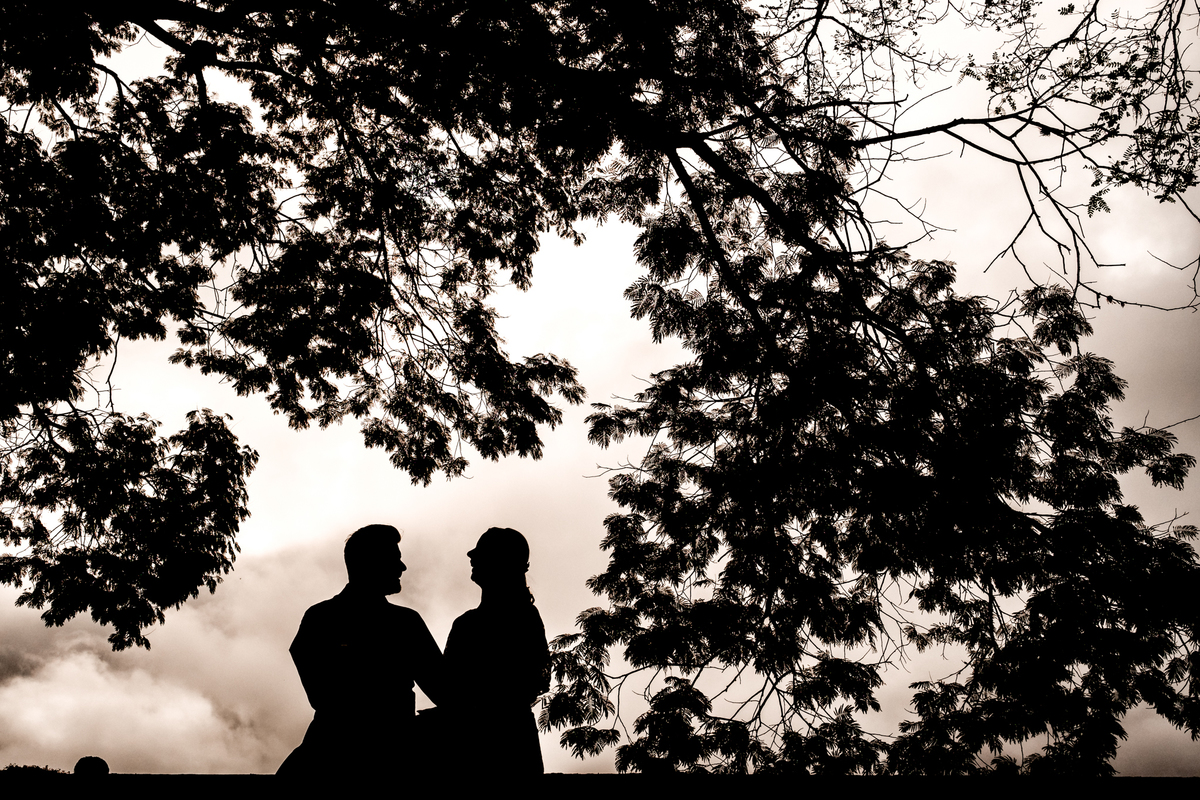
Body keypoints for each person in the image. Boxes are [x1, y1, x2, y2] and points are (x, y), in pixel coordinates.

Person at [278, 524, 445, 777]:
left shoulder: (319, 618)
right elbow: (445, 692)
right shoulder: (404, 623)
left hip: (328, 754)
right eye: (394, 559)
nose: (402, 567)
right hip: (389, 758)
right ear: (370, 564)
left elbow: (322, 697)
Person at [443, 527, 551, 775]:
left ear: (500, 564)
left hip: (500, 739)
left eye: (482, 554)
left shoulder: (514, 620)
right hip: (494, 738)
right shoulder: (468, 623)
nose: (471, 557)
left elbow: (531, 681)